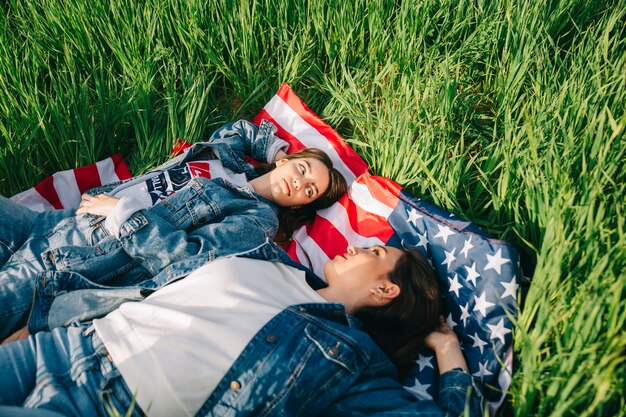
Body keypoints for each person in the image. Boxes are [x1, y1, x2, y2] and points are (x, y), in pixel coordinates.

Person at [0, 245, 485, 416]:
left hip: (115, 405)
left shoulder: (350, 360)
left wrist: (446, 349)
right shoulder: (269, 255)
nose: (358, 247)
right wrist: (52, 319)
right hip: (66, 349)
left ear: (386, 291)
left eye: (375, 254)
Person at [0, 119, 347, 341]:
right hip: (56, 222)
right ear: (286, 161)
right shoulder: (229, 158)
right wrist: (272, 145)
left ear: (301, 205)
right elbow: (238, 131)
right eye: (301, 169)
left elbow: (185, 258)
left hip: (78, 256)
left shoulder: (257, 221)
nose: (298, 184)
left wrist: (122, 212)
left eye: (309, 190)